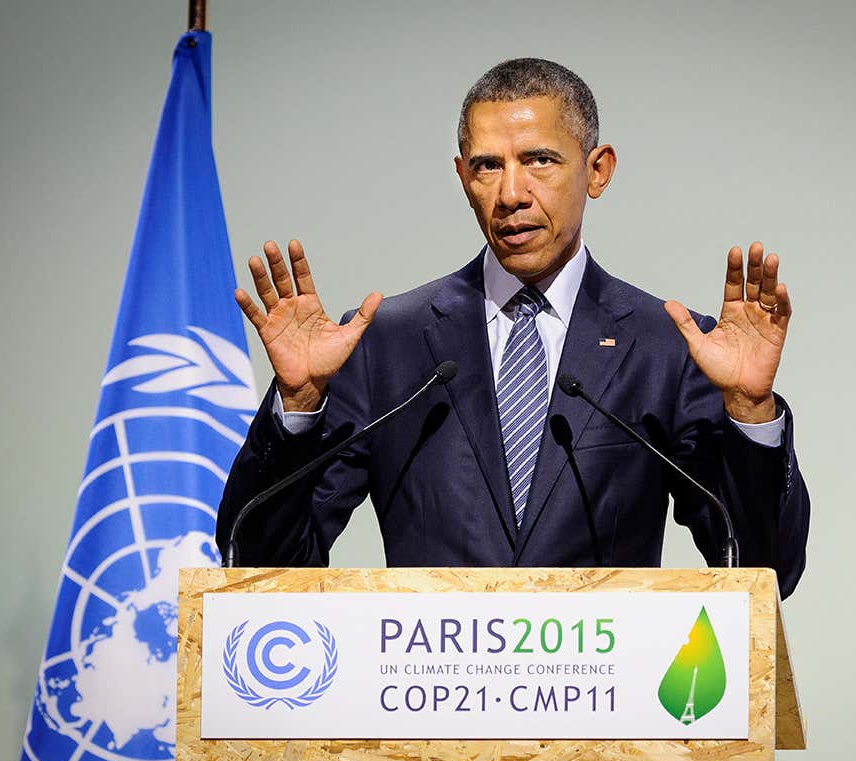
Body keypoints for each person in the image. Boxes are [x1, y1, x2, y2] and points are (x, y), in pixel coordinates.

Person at [216, 58, 809, 597]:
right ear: (462, 178)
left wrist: (750, 413)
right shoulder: (385, 345)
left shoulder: (667, 349)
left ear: (597, 170)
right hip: (426, 700)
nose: (510, 194)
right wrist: (298, 406)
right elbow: (263, 568)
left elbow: (765, 571)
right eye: (487, 167)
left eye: (539, 161)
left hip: (602, 707)